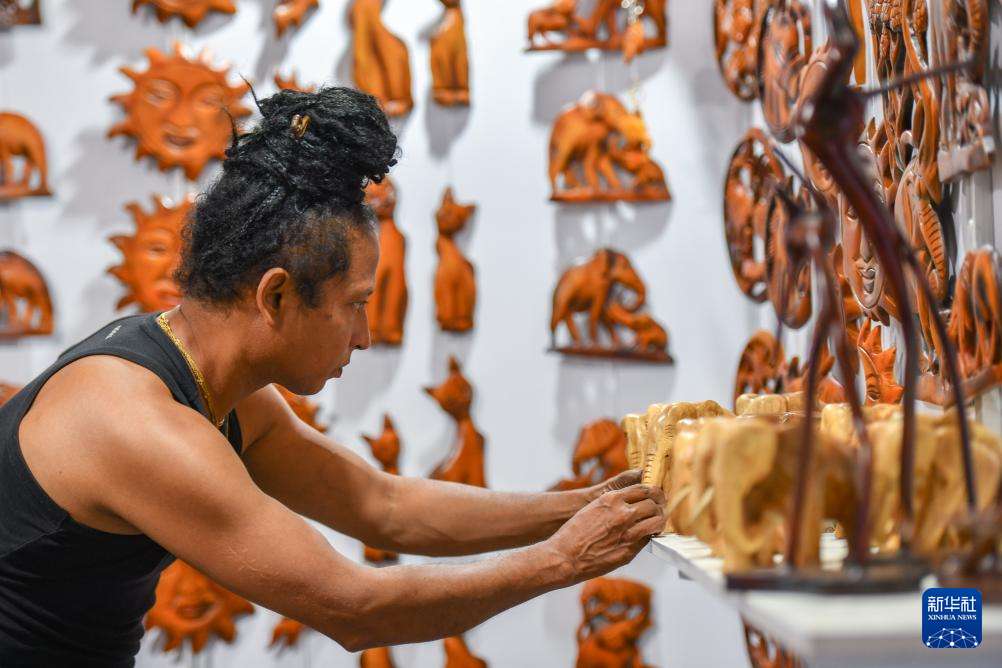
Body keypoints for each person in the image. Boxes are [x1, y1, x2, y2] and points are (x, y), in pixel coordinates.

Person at [0, 87, 666, 666]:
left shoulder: (212, 384)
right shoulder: (137, 423)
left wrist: (585, 507)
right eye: (356, 304)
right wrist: (562, 560)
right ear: (276, 296)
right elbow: (354, 609)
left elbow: (385, 508)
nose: (365, 335)